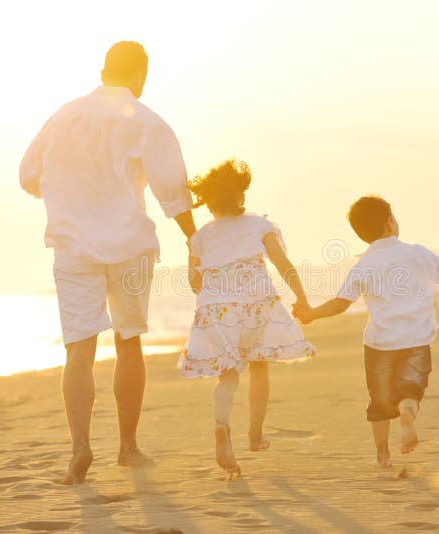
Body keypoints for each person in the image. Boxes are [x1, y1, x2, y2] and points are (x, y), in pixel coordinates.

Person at [19, 41, 196, 484]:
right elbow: (172, 192)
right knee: (128, 340)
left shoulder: (63, 116)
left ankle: (80, 446)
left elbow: (26, 176)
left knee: (79, 348)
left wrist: (65, 192)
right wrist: (196, 240)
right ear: (141, 75)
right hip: (128, 245)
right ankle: (128, 447)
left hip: (74, 246)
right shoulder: (148, 122)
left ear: (103, 70)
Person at [294, 196, 439, 468]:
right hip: (416, 341)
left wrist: (310, 314)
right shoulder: (419, 253)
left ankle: (383, 455)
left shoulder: (363, 266)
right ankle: (407, 414)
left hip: (380, 344)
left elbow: (340, 303)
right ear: (390, 222)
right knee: (410, 391)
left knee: (380, 402)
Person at [177, 159, 316, 476]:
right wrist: (303, 299)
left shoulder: (199, 237)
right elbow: (283, 264)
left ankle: (221, 426)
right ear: (240, 196)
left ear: (208, 202)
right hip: (253, 306)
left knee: (227, 374)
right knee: (259, 364)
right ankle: (255, 434)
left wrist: (198, 260)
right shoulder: (258, 225)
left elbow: (195, 282)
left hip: (216, 309)